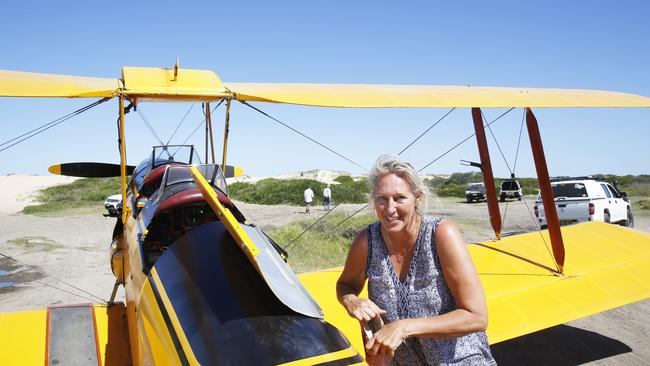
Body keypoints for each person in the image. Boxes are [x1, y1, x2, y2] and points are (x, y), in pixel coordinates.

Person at [336, 155, 495, 365]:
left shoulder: (440, 234)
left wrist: (404, 327)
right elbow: (345, 284)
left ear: (417, 197)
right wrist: (351, 300)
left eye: (399, 198)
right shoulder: (367, 242)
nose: (389, 209)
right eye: (382, 199)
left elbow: (476, 317)